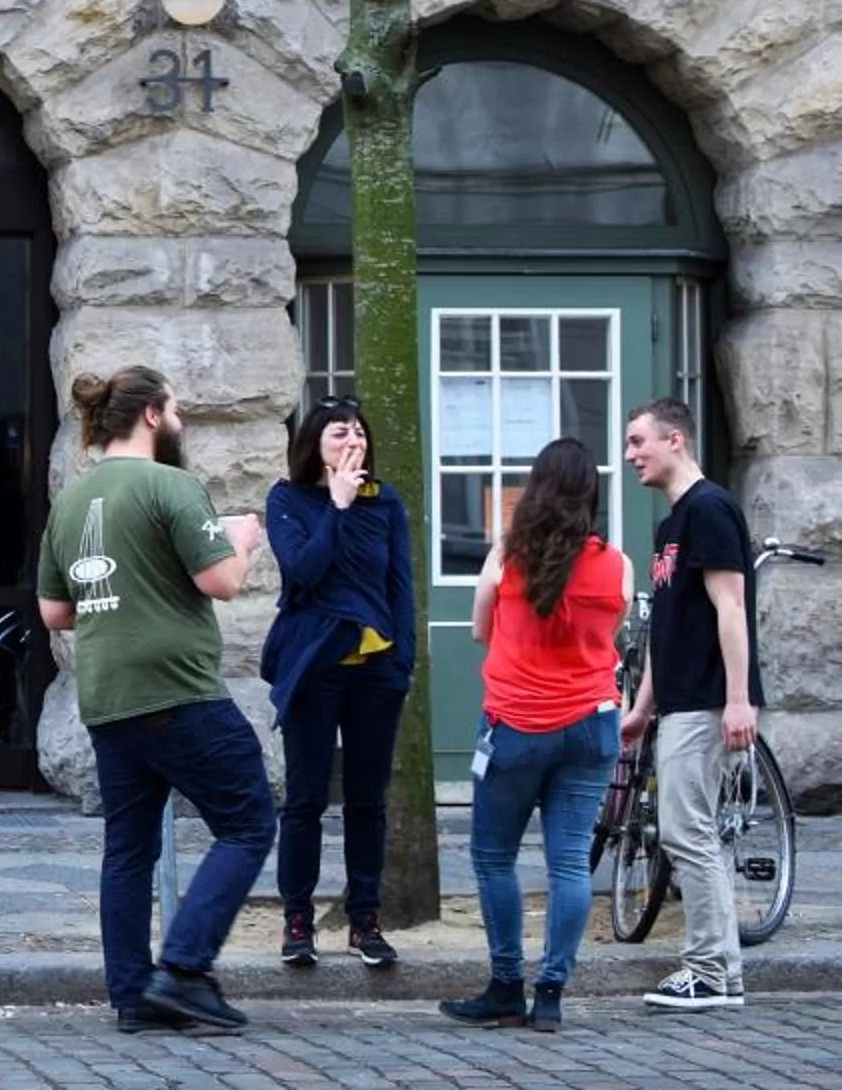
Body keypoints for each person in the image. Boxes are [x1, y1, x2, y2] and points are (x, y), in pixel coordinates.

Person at [37, 365, 275, 1036]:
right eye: (176, 412)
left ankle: (132, 995)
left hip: (109, 694)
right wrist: (244, 543)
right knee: (249, 822)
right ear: (150, 415)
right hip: (177, 686)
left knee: (128, 848)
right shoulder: (172, 486)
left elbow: (55, 610)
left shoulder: (72, 501)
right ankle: (184, 971)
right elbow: (223, 582)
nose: (181, 424)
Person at [439, 438, 629, 1035]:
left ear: (535, 490)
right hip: (592, 724)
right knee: (569, 863)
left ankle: (504, 985)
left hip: (516, 726)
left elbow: (477, 631)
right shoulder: (616, 564)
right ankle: (550, 992)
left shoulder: (507, 556)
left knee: (493, 856)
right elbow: (609, 632)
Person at [260, 395, 413, 971]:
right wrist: (337, 507)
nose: (353, 444)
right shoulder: (288, 500)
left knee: (367, 802)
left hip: (376, 670)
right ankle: (297, 920)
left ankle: (364, 919)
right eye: (338, 436)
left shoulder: (386, 502)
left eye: (358, 434)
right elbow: (304, 570)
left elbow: (400, 587)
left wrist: (404, 664)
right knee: (304, 800)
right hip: (315, 667)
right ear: (314, 447)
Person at [620, 397, 759, 1011]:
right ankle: (722, 974)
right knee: (691, 834)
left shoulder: (710, 510)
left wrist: (738, 699)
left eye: (638, 442)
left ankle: (707, 970)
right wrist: (643, 707)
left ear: (675, 439)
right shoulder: (670, 525)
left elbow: (731, 608)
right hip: (677, 704)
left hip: (707, 702)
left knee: (686, 833)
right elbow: (669, 629)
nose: (630, 456)